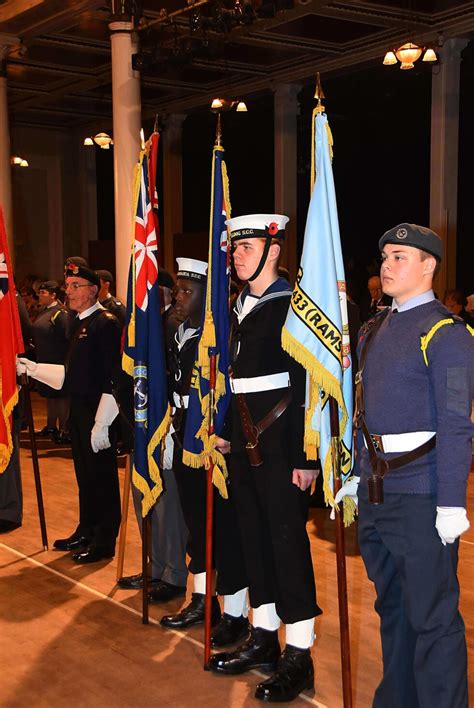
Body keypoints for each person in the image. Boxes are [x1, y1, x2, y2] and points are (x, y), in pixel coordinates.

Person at [336, 223, 473, 708]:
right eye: (385, 257)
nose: (387, 266)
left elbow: (458, 425)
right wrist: (354, 476)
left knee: (433, 620)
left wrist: (451, 503)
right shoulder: (376, 326)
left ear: (429, 265)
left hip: (421, 498)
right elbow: (360, 409)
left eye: (399, 257)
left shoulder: (447, 333)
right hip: (377, 496)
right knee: (393, 609)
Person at [209, 215, 321, 703]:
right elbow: (236, 380)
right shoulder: (238, 306)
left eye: (248, 247)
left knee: (288, 548)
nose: (237, 255)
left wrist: (307, 457)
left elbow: (310, 385)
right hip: (244, 440)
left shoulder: (294, 306)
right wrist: (227, 432)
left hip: (282, 448)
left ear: (273, 251)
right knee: (254, 541)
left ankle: (299, 654)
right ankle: (264, 638)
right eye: (235, 248)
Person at [160, 258, 249, 648]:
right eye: (178, 289)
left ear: (206, 295)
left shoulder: (221, 337)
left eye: (186, 291)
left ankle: (235, 610)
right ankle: (199, 597)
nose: (178, 297)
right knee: (197, 523)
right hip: (184, 436)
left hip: (215, 444)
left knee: (226, 529)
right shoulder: (177, 331)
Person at [17, 262, 123, 564]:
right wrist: (34, 369)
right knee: (84, 474)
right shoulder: (77, 322)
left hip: (99, 411)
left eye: (76, 286)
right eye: (69, 285)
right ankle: (86, 528)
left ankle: (104, 539)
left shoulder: (106, 323)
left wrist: (102, 423)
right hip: (79, 409)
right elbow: (70, 374)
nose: (69, 291)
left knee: (101, 476)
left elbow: (113, 377)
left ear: (93, 290)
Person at [30, 280, 70, 443]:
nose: (40, 295)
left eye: (43, 293)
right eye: (39, 292)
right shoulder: (43, 310)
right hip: (45, 359)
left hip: (57, 360)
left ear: (53, 295)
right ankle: (51, 426)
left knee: (61, 396)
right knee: (49, 395)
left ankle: (64, 429)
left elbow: (66, 336)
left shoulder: (60, 313)